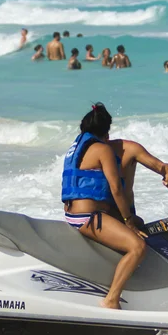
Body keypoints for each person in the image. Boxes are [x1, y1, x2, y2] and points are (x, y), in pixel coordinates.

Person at [62, 103, 146, 309]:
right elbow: (116, 188)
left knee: (140, 224)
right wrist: (128, 222)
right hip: (89, 216)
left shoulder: (78, 148)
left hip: (74, 214)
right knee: (137, 246)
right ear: (106, 132)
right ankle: (112, 299)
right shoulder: (103, 149)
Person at [108, 138, 168, 227]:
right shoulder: (87, 152)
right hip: (101, 213)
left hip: (127, 213)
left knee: (139, 224)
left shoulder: (130, 149)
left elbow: (161, 166)